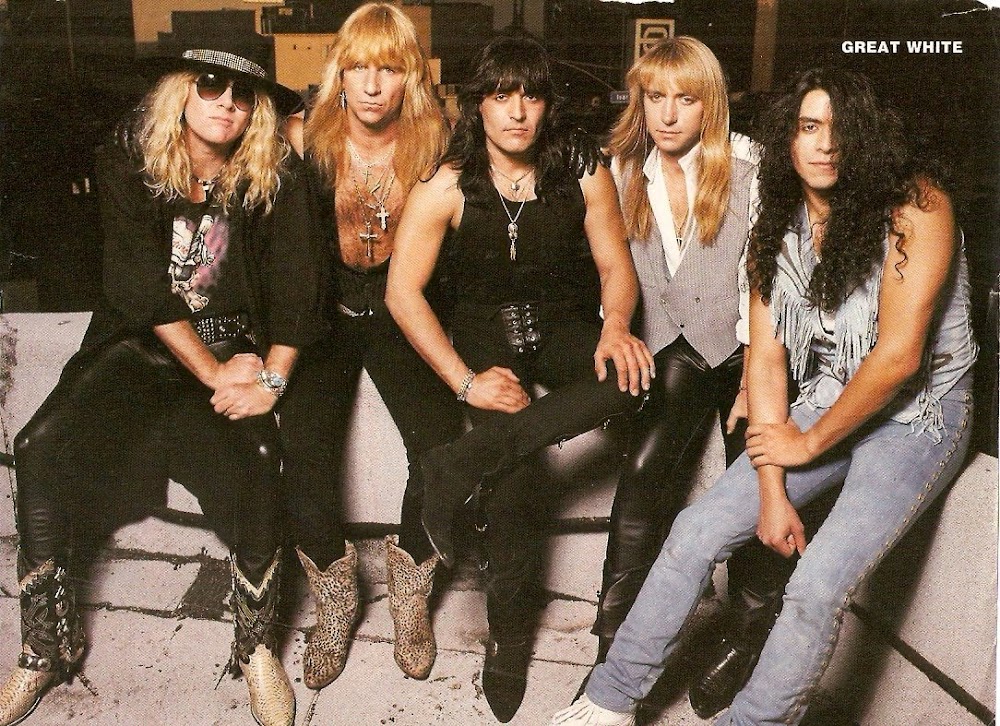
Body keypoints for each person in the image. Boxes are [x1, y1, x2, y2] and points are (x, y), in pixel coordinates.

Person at [552, 66, 977, 726]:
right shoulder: (777, 225)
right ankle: (609, 699)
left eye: (842, 129)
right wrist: (774, 493)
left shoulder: (916, 207)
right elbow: (770, 364)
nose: (825, 145)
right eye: (808, 127)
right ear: (787, 138)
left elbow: (898, 359)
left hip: (919, 414)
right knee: (695, 531)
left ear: (869, 138)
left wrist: (805, 444)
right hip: (830, 393)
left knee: (817, 584)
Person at [0, 46, 321, 726]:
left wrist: (270, 379)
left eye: (243, 93)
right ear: (181, 89)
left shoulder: (276, 171)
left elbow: (300, 285)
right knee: (37, 446)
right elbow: (138, 287)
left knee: (264, 456)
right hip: (137, 341)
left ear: (257, 111)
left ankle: (257, 648)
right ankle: (44, 648)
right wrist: (211, 373)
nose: (226, 101)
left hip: (234, 341)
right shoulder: (128, 158)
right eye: (211, 83)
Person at [386, 35, 654, 722]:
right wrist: (464, 383)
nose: (516, 112)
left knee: (632, 376)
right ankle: (506, 642)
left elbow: (615, 268)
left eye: (531, 96)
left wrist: (616, 325)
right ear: (477, 105)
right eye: (501, 96)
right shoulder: (447, 183)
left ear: (547, 105)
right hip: (485, 336)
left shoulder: (582, 169)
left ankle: (463, 461)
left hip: (562, 325)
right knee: (513, 491)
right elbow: (402, 293)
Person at [589, 36, 816, 718]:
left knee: (761, 481)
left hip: (752, 350)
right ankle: (612, 652)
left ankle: (745, 636)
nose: (667, 114)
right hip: (674, 351)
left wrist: (754, 374)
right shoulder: (619, 169)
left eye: (685, 99)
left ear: (710, 104)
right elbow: (612, 268)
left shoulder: (751, 166)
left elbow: (770, 276)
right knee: (641, 476)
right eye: (654, 97)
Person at [277, 2, 465, 688]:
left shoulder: (434, 143)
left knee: (439, 439)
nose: (373, 84)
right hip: (325, 305)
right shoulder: (304, 136)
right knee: (302, 444)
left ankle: (410, 591)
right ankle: (335, 595)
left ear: (410, 74)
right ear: (340, 72)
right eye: (359, 67)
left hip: (399, 302)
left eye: (388, 68)